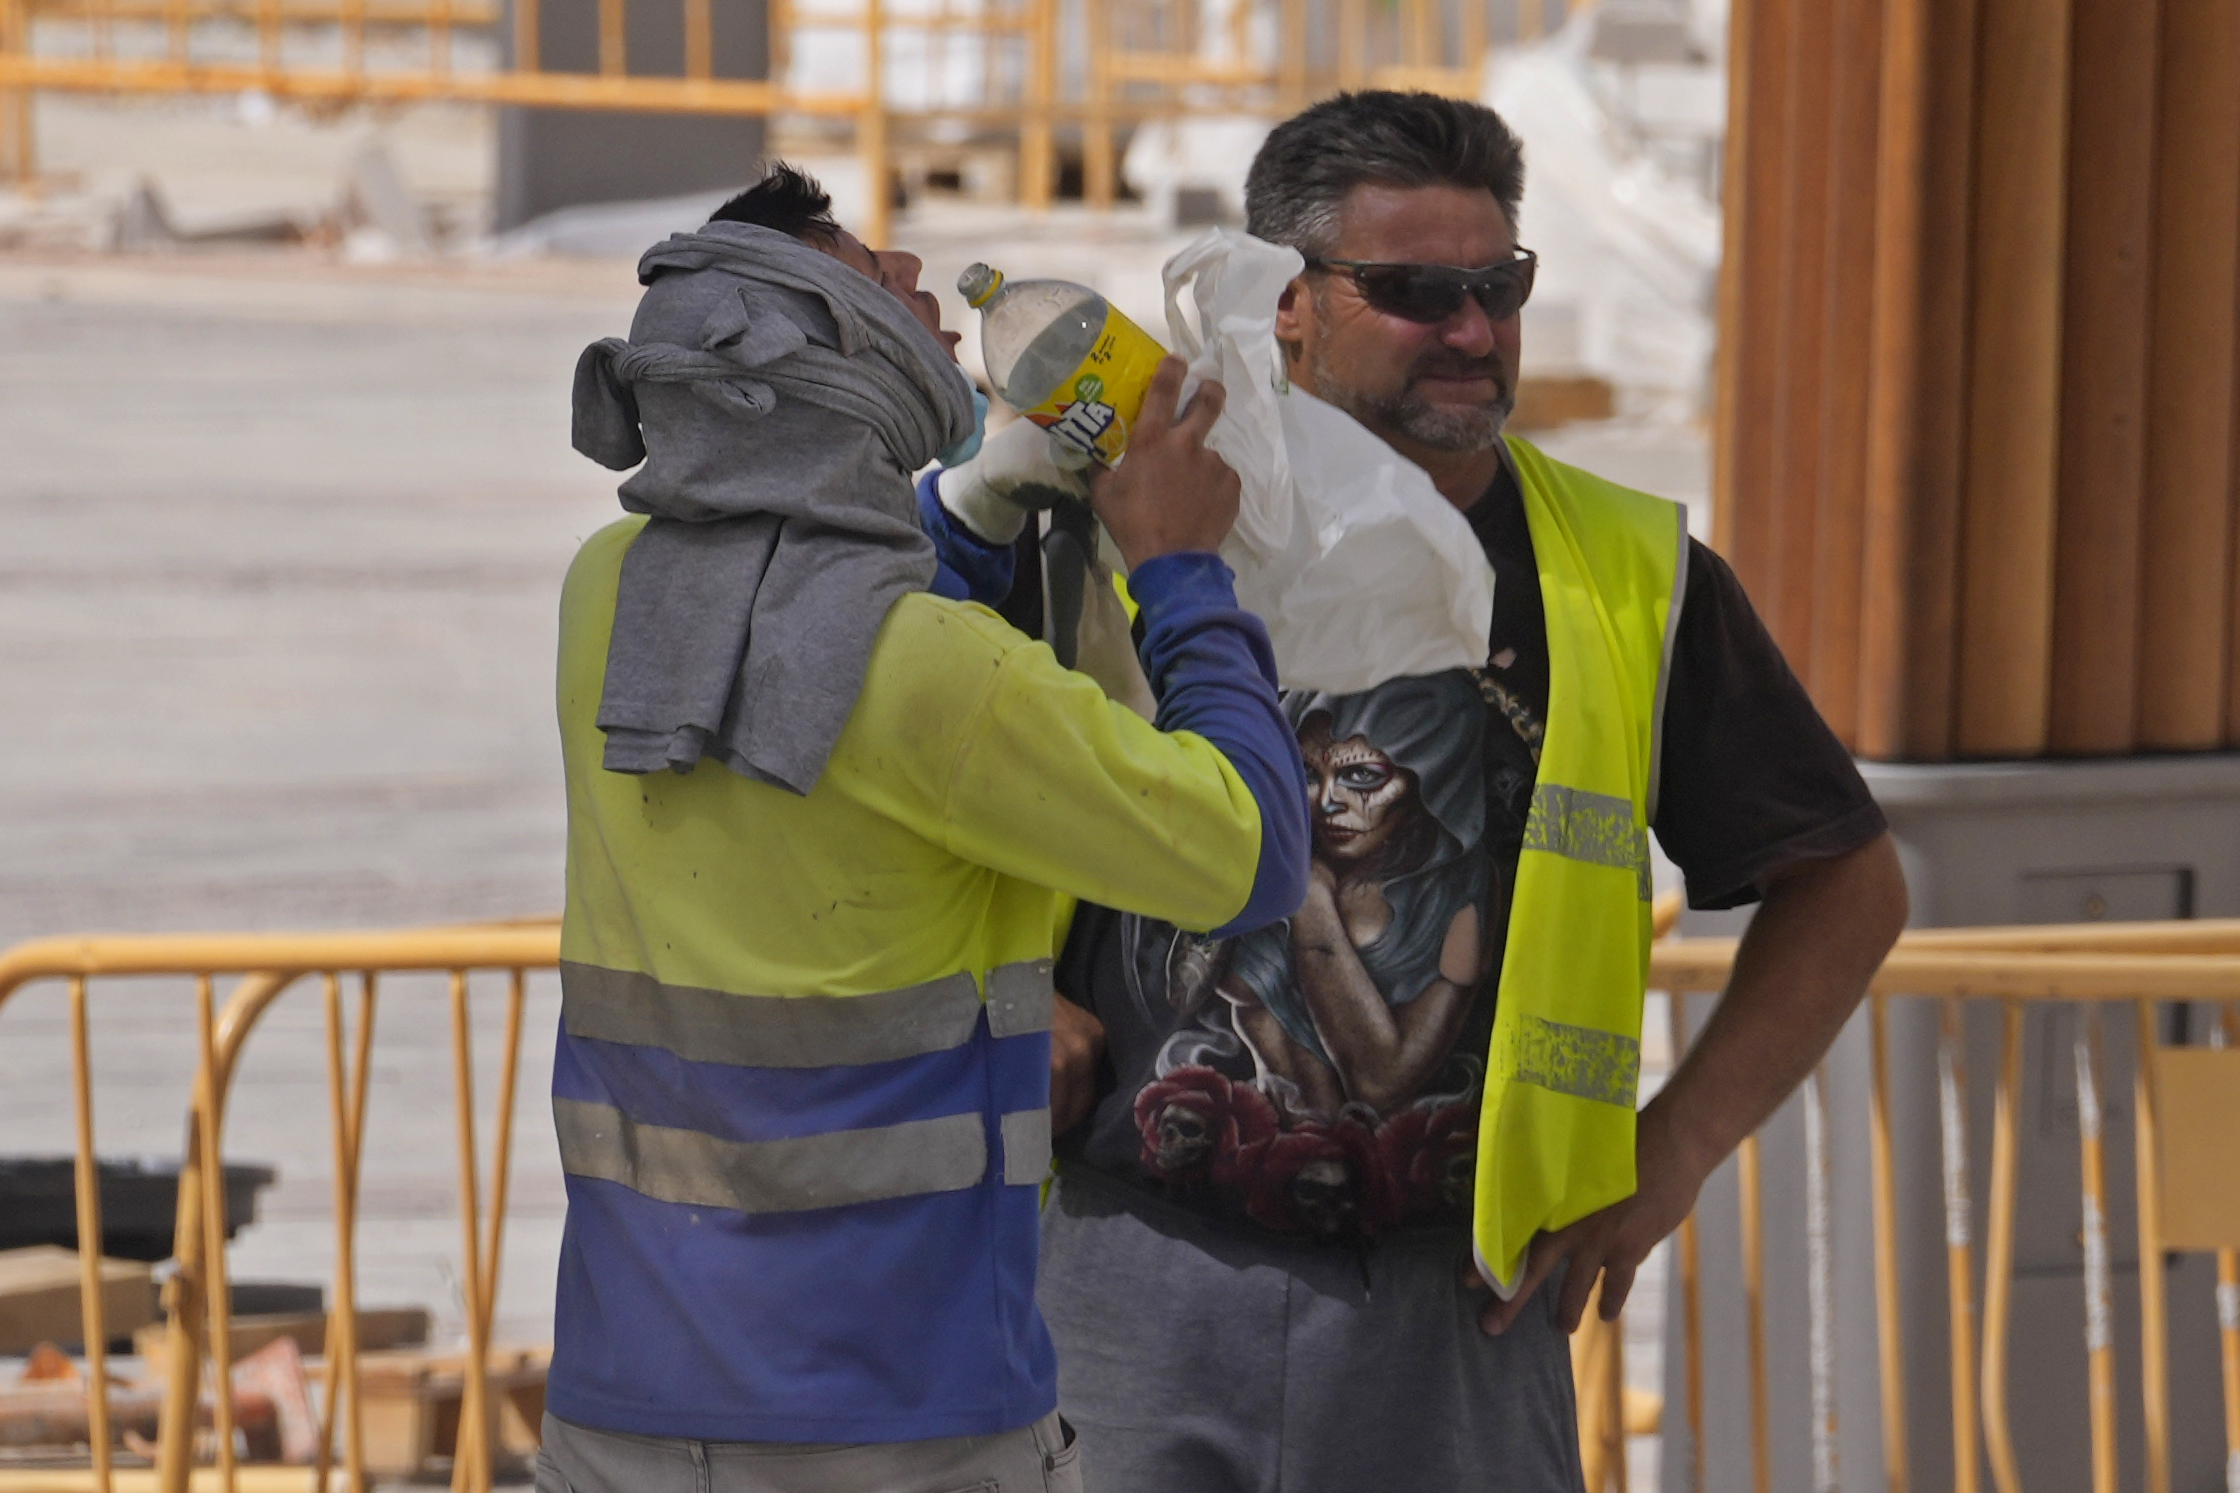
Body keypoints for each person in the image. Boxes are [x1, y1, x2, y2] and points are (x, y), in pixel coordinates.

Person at [1009, 91, 1910, 1490]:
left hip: (1453, 1315)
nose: (1474, 330)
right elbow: (906, 792)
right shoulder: (1130, 520)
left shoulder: (1624, 574)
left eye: (1500, 285)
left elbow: (1851, 881)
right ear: (1286, 305)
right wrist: (1005, 982)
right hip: (1128, 1281)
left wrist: (1672, 1150)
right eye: (1417, 292)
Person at [538, 163, 1309, 1493]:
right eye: (870, 274)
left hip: (628, 1406)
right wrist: (1181, 570)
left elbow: (793, 624)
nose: (917, 282)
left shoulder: (609, 594)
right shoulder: (938, 677)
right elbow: (1246, 851)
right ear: (817, 362)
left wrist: (960, 517)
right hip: (898, 1413)